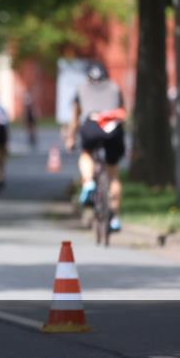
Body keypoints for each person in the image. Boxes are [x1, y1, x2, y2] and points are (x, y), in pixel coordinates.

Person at [65, 61, 126, 232]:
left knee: (85, 153)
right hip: (113, 126)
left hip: (91, 124)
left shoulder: (81, 88)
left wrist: (71, 137)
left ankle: (89, 183)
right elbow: (123, 112)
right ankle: (114, 217)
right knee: (113, 173)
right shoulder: (115, 88)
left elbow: (75, 117)